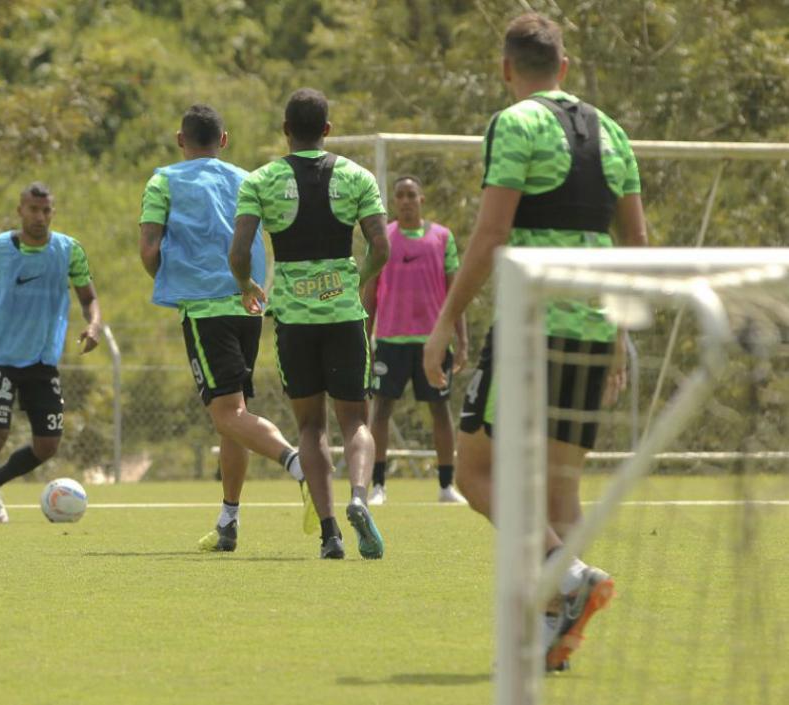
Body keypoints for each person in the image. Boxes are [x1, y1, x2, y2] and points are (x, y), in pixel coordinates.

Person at [422, 13, 647, 670]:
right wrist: (618, 338)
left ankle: (568, 576)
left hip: (533, 324)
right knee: (559, 485)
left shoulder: (514, 123)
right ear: (566, 68)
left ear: (506, 69)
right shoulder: (611, 132)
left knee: (475, 470)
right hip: (594, 328)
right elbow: (636, 246)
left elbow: (491, 237)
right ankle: (557, 634)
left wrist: (444, 323)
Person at [138, 103, 317, 552]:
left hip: (205, 308)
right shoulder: (247, 178)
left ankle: (299, 467)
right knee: (233, 418)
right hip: (249, 305)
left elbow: (148, 248)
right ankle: (228, 521)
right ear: (224, 139)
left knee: (227, 414)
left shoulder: (164, 180)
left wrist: (176, 277)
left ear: (181, 140)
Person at [230, 88, 390, 560]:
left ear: (285, 130)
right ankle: (360, 497)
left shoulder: (261, 180)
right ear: (327, 129)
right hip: (343, 314)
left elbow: (239, 252)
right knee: (356, 420)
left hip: (294, 321)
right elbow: (381, 247)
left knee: (310, 428)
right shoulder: (357, 176)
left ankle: (330, 534)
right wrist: (354, 281)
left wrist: (247, 286)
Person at [0, 182, 102, 524]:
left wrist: (94, 325)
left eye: (46, 210)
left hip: (41, 359)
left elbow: (89, 298)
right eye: (33, 210)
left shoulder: (69, 250)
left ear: (52, 212)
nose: (40, 216)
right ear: (20, 210)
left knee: (48, 445)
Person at [363, 175, 468, 505]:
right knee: (380, 411)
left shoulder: (442, 237)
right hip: (391, 341)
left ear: (421, 198)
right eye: (400, 196)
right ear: (394, 202)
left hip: (432, 344)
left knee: (440, 410)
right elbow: (369, 293)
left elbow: (456, 293)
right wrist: (364, 338)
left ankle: (446, 486)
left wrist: (461, 340)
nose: (406, 200)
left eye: (411, 194)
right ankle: (378, 485)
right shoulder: (383, 239)